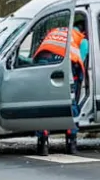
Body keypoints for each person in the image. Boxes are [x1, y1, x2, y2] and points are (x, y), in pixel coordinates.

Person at [32, 15, 89, 155]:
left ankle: (43, 144)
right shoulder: (81, 39)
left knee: (45, 106)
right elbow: (80, 59)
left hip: (42, 68)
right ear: (84, 31)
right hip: (65, 72)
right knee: (71, 106)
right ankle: (71, 143)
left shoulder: (56, 32)